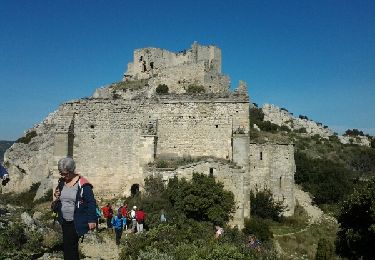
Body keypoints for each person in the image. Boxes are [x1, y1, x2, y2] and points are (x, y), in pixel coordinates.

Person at [52, 157, 97, 260]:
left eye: (64, 173)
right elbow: (60, 196)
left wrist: (91, 220)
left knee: (71, 246)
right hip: (64, 220)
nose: (62, 175)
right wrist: (57, 194)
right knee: (68, 246)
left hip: (77, 220)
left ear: (71, 171)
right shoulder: (62, 182)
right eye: (61, 173)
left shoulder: (83, 185)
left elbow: (91, 202)